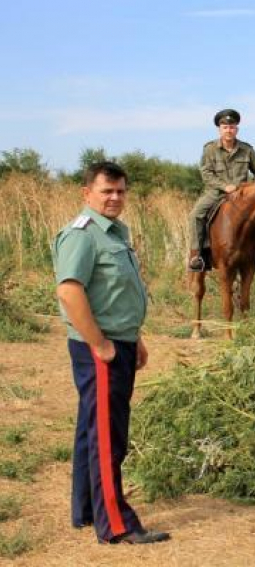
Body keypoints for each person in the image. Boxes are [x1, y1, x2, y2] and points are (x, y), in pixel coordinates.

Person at [52, 162, 169, 545]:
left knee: (93, 427)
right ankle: (117, 525)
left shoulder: (115, 234)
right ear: (87, 193)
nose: (115, 198)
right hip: (100, 349)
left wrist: (134, 337)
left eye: (120, 191)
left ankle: (86, 510)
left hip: (120, 340)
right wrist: (100, 344)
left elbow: (116, 294)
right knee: (107, 435)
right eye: (106, 191)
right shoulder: (82, 236)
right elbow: (70, 292)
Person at [188, 108, 255, 272]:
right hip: (216, 193)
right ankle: (199, 254)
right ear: (219, 129)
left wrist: (251, 189)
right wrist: (224, 186)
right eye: (225, 127)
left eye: (232, 127)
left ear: (236, 129)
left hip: (242, 195)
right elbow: (206, 172)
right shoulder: (210, 149)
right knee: (196, 214)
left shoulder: (247, 150)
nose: (229, 130)